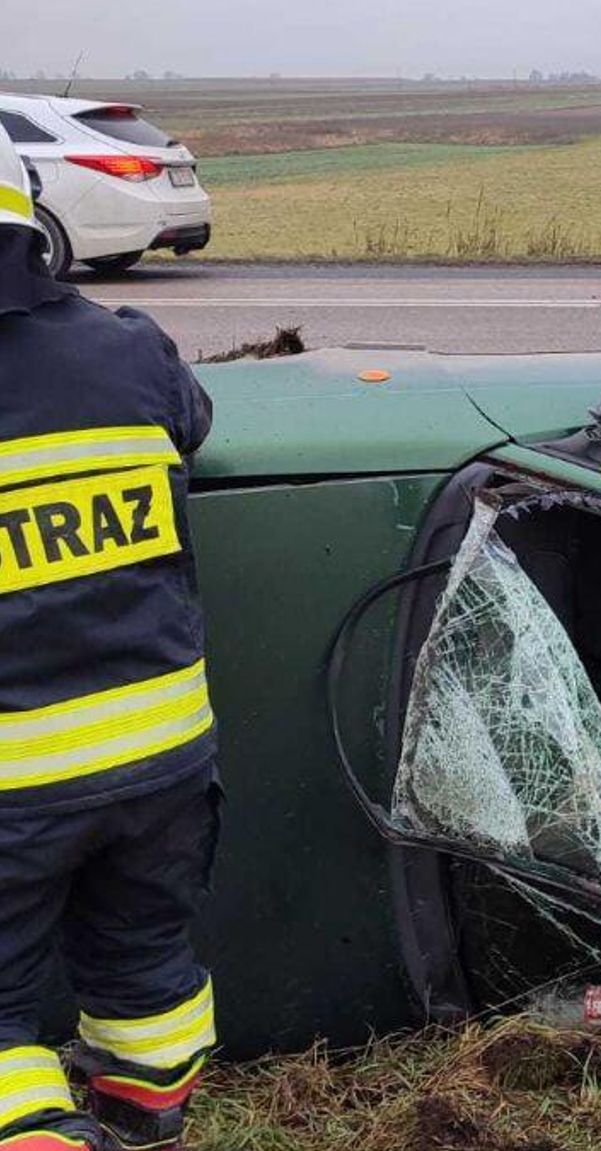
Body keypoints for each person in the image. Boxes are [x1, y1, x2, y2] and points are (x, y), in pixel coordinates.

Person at [0, 127, 219, 1151]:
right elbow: (194, 417)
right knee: (142, 976)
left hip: (11, 788)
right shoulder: (130, 349)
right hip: (161, 763)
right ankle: (143, 1123)